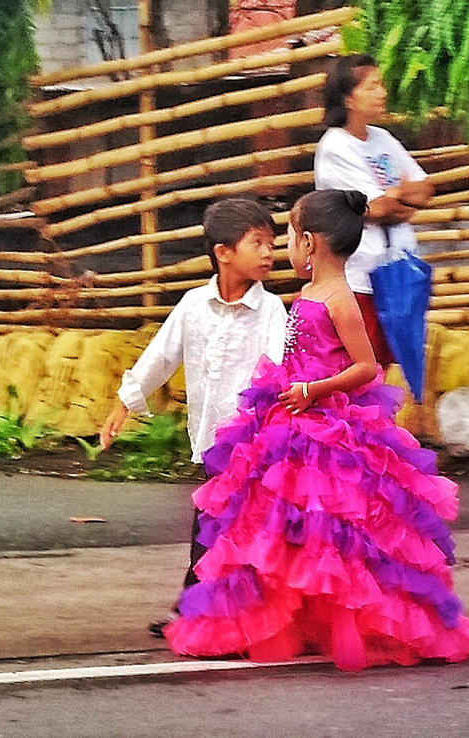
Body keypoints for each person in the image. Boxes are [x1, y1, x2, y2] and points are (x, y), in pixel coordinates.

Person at [163, 189, 469, 670]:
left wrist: (315, 388)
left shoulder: (340, 299)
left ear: (308, 242)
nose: (283, 246)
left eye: (287, 235)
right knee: (279, 526)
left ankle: (349, 618)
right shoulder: (307, 294)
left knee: (338, 531)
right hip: (289, 416)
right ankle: (281, 618)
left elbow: (367, 368)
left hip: (328, 425)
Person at [99, 196, 288, 635]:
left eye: (272, 243)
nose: (268, 253)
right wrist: (123, 403)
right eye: (257, 243)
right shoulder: (191, 306)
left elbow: (277, 370)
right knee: (209, 530)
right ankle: (197, 613)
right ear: (223, 253)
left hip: (255, 444)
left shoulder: (272, 311)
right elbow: (159, 357)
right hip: (211, 443)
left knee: (243, 533)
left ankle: (225, 618)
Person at [314, 54, 433, 366]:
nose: (383, 93)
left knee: (396, 367)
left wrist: (396, 196)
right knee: (365, 370)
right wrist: (396, 198)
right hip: (359, 278)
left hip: (395, 272)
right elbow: (376, 208)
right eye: (373, 86)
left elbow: (425, 190)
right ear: (349, 98)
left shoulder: (383, 139)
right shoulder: (335, 147)